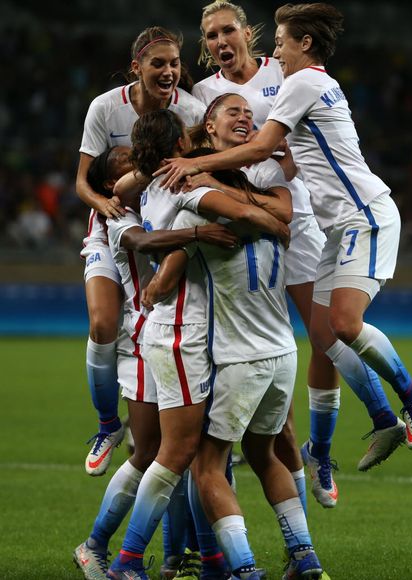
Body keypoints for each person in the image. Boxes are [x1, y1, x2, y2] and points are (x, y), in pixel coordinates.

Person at [156, 3, 412, 472]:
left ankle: (411, 394)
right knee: (327, 336)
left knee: (343, 325)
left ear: (301, 44)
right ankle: (335, 442)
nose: (277, 50)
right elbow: (278, 143)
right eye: (210, 35)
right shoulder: (291, 85)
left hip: (354, 216)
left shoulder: (299, 81)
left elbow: (264, 144)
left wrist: (197, 165)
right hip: (331, 225)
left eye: (281, 41)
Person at [106, 110, 290, 580]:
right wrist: (276, 222)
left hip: (193, 335)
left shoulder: (152, 187)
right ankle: (126, 559)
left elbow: (129, 194)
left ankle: (205, 561)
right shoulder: (183, 189)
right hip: (183, 333)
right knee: (182, 452)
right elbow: (243, 215)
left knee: (197, 455)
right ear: (182, 148)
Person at [137, 162, 325, 579]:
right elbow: (272, 217)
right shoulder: (274, 218)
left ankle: (243, 569)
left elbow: (164, 282)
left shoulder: (200, 214)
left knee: (207, 466)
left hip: (242, 358)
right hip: (284, 353)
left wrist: (154, 287)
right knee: (265, 454)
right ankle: (304, 555)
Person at [192, 0, 340, 509]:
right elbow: (192, 152)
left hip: (294, 222)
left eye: (227, 30)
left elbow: (305, 145)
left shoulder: (287, 71)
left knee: (326, 337)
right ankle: (285, 492)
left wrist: (290, 158)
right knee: (266, 367)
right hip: (241, 233)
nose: (219, 41)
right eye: (210, 35)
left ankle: (319, 453)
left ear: (247, 33)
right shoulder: (201, 94)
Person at [73, 145, 237, 580]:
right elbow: (146, 242)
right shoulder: (115, 215)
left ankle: (184, 558)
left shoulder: (153, 199)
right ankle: (98, 546)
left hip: (171, 333)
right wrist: (198, 234)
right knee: (156, 453)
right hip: (148, 337)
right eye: (128, 163)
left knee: (182, 454)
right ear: (112, 184)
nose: (141, 166)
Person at [76, 25, 206, 476]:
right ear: (137, 68)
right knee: (103, 322)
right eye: (158, 64)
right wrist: (106, 202)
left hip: (163, 227)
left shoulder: (191, 109)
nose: (169, 71)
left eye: (174, 64)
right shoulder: (105, 108)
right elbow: (82, 181)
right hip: (112, 224)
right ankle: (108, 425)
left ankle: (196, 424)